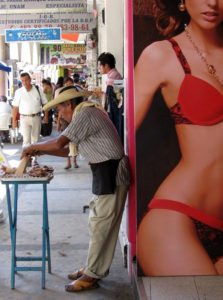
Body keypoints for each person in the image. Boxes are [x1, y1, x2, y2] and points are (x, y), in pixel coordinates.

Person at [136, 0, 223, 276]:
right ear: (182, 2)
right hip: (177, 216)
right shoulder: (162, 55)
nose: (213, 2)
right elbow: (120, 136)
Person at [21, 85, 130, 292]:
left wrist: (31, 148)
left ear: (69, 104)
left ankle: (92, 274)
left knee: (101, 226)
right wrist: (39, 151)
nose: (60, 114)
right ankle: (93, 268)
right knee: (98, 224)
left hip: (111, 172)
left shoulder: (85, 114)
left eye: (61, 109)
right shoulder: (87, 112)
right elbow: (68, 152)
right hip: (105, 171)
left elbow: (60, 143)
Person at [12, 72, 48, 147]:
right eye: (22, 81)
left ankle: (34, 158)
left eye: (26, 80)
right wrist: (14, 121)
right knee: (26, 140)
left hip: (36, 117)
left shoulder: (38, 89)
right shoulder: (19, 92)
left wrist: (46, 116)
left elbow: (45, 103)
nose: (24, 82)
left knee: (35, 139)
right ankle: (26, 157)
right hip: (24, 118)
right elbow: (15, 107)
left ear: (30, 80)